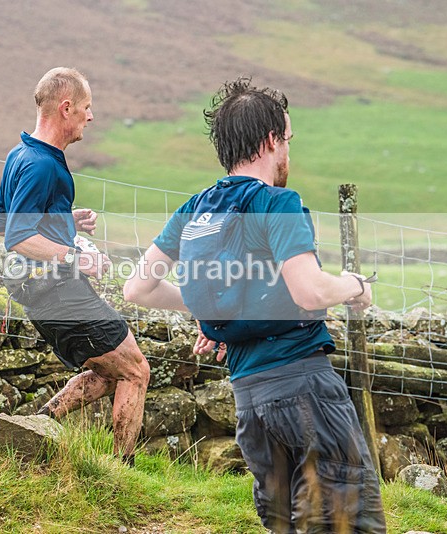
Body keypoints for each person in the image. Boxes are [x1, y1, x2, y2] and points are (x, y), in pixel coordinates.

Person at [123, 77, 386, 532]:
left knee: (283, 524)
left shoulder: (196, 209)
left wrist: (214, 313)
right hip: (304, 389)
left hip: (250, 404)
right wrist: (354, 286)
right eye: (287, 138)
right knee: (345, 521)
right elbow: (308, 291)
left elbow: (138, 289)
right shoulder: (276, 203)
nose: (288, 151)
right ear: (270, 140)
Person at [0, 67, 150, 464]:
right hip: (57, 289)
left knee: (106, 368)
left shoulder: (21, 154)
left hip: (41, 293)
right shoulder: (43, 165)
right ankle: (122, 471)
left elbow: (1, 221)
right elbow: (17, 236)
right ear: (66, 109)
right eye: (86, 107)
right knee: (135, 371)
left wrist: (64, 222)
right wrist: (74, 254)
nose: (90, 116)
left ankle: (38, 424)